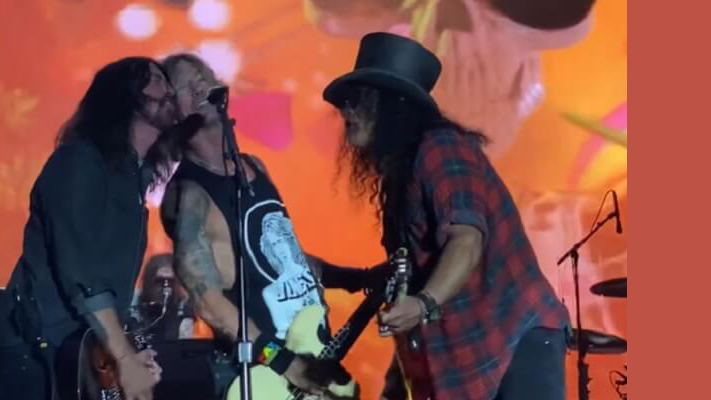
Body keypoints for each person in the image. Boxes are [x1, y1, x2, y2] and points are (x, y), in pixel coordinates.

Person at [322, 32, 571, 400]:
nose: (346, 112)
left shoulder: (440, 148)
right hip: (469, 357)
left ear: (391, 107)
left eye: (356, 101)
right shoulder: (402, 175)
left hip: (515, 337)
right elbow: (419, 270)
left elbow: (466, 240)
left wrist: (423, 304)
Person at [158, 53, 387, 398]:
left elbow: (285, 260)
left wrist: (360, 279)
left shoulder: (254, 167)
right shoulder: (190, 195)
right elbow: (208, 301)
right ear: (170, 112)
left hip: (311, 358)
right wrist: (284, 362)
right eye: (185, 86)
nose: (199, 86)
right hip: (269, 376)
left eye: (202, 77)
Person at [0, 57, 193, 400]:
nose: (169, 90)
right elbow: (81, 273)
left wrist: (125, 352)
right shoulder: (79, 161)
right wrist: (123, 358)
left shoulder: (134, 179)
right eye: (156, 80)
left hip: (81, 348)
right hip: (38, 353)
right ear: (125, 96)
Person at [129, 253, 196, 341]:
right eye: (160, 281)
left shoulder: (184, 307)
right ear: (149, 281)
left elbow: (184, 340)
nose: (166, 286)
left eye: (170, 281)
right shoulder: (133, 301)